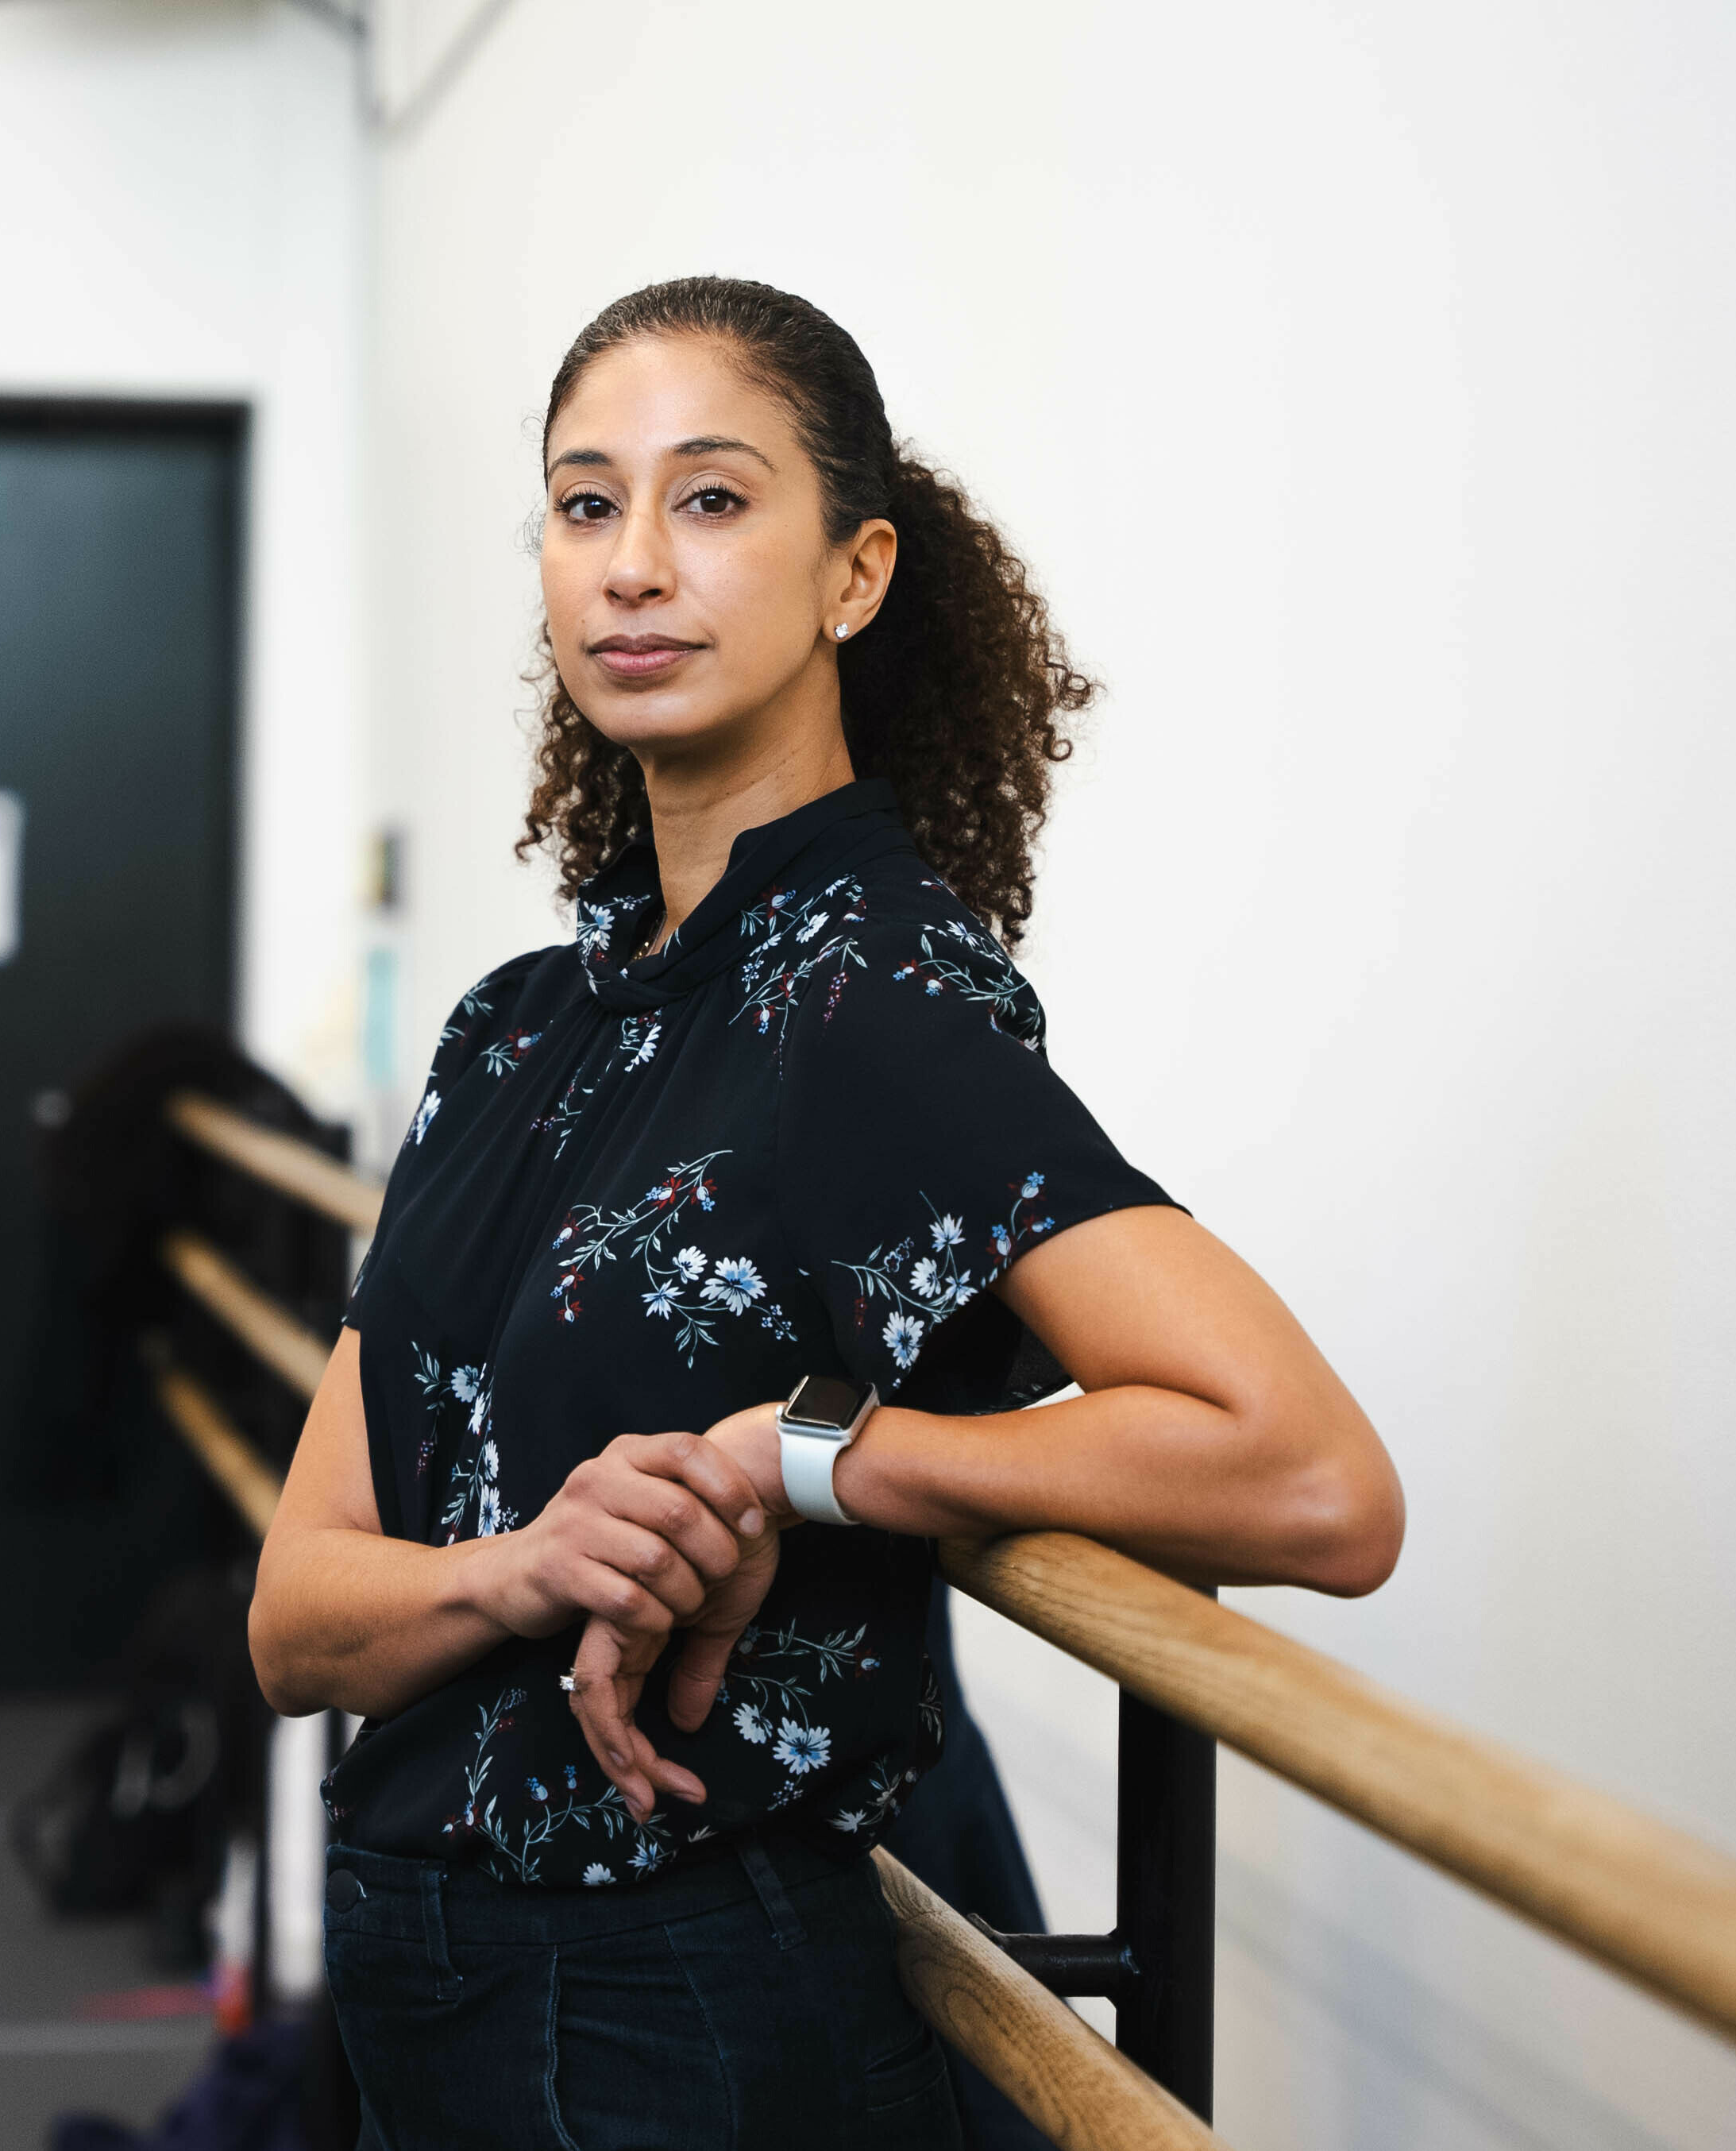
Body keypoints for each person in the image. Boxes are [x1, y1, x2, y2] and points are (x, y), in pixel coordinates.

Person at [249, 277, 1404, 2150]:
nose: (634, 564)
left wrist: (816, 1466)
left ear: (853, 575)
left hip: (670, 2024)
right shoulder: (519, 1029)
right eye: (584, 503)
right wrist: (521, 1566)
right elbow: (300, 1615)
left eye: (710, 500)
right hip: (425, 2003)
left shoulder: (867, 1000)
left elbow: (1309, 1478)